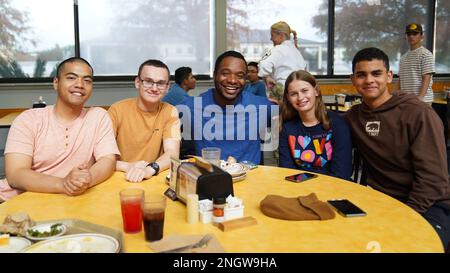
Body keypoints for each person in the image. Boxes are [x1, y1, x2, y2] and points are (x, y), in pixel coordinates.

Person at [347, 47, 450, 251]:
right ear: (353, 80)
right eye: (361, 75)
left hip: (430, 205)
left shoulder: (418, 114)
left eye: (376, 73)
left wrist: (405, 215)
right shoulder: (354, 116)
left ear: (389, 76)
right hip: (382, 201)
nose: (369, 80)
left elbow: (434, 181)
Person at [0, 57, 119, 201]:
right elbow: (16, 174)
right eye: (71, 78)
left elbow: (107, 160)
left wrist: (84, 181)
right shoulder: (29, 119)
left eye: (87, 80)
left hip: (69, 201)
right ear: (56, 83)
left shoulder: (99, 117)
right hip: (16, 201)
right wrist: (63, 184)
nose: (80, 84)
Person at [177, 50, 277, 164]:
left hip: (251, 178)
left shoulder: (260, 106)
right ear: (215, 75)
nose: (232, 80)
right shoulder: (192, 106)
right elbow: (162, 119)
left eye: (240, 76)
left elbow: (289, 112)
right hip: (210, 177)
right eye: (225, 73)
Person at [108, 59, 181, 183]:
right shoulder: (117, 110)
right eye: (148, 81)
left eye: (161, 83)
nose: (154, 88)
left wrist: (149, 169)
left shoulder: (170, 111)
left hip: (152, 177)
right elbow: (101, 157)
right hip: (119, 177)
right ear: (137, 82)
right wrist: (127, 166)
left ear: (167, 87)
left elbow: (172, 153)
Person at [279, 70, 352, 180]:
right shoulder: (287, 128)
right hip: (298, 188)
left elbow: (342, 173)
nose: (300, 97)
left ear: (316, 91)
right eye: (294, 94)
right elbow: (286, 171)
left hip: (334, 188)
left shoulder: (338, 124)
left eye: (304, 91)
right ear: (288, 98)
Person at [258, 21, 307, 104]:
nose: (271, 39)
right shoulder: (297, 52)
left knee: (280, 116)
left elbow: (262, 64)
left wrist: (266, 77)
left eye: (272, 35)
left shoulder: (276, 49)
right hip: (300, 93)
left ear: (281, 35)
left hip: (282, 93)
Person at [398, 23, 435, 104]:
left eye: (415, 34)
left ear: (422, 36)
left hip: (422, 101)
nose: (411, 36)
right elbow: (400, 80)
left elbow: (426, 78)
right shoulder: (403, 58)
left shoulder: (426, 54)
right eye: (409, 34)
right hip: (406, 101)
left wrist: (419, 99)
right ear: (406, 37)